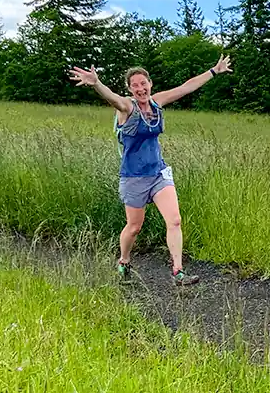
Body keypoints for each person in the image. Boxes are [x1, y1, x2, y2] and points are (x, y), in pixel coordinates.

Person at [70, 55, 232, 284]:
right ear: (129, 88)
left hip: (158, 174)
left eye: (143, 83)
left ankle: (178, 271)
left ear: (150, 84)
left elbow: (186, 88)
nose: (140, 88)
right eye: (134, 85)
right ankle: (124, 260)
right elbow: (114, 99)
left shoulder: (157, 102)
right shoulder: (127, 107)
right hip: (133, 177)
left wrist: (214, 71)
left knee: (174, 220)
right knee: (134, 227)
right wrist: (96, 83)